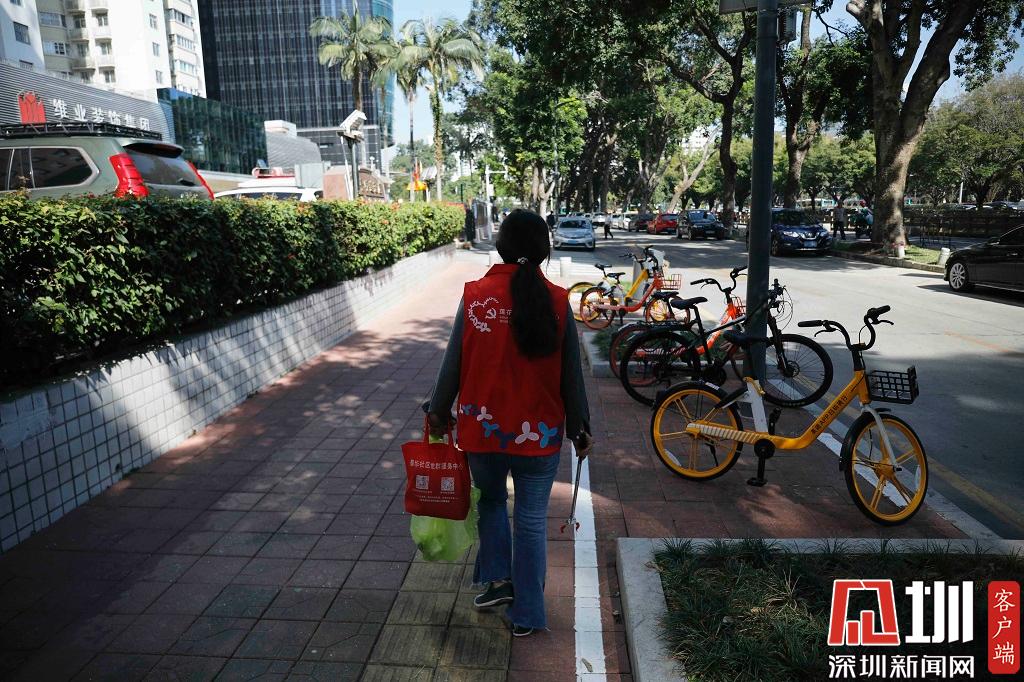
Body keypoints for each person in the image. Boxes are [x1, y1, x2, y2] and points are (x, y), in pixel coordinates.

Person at [428, 209, 593, 638]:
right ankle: (527, 613)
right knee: (532, 520)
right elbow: (571, 374)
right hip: (540, 435)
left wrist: (438, 409)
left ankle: (499, 581)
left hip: (482, 430)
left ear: (501, 247)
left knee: (491, 502)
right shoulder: (557, 300)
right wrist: (579, 427)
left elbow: (453, 362)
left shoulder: (475, 296)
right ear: (544, 250)